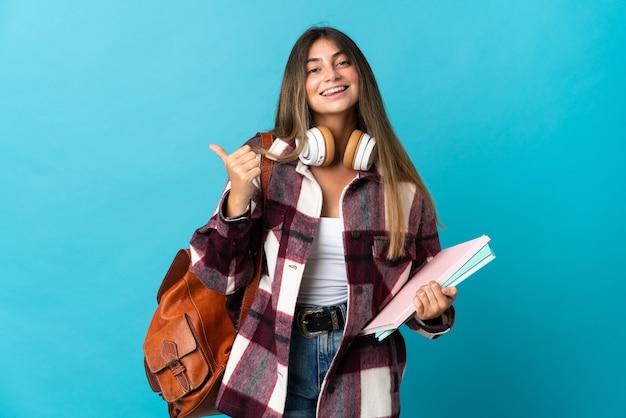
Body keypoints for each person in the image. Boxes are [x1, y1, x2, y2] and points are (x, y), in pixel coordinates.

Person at [190, 26, 457, 418]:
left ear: (360, 75)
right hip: (275, 362)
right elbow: (219, 276)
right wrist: (239, 198)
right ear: (299, 87)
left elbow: (422, 288)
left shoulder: (400, 187)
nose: (330, 75)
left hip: (363, 372)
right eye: (314, 69)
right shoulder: (267, 162)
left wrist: (432, 313)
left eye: (342, 63)